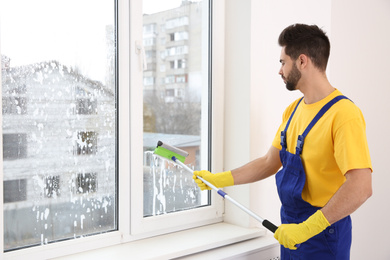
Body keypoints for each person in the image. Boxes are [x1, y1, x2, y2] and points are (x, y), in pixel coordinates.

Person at [193, 23, 373, 259]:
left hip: (324, 233)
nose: (280, 70)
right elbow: (270, 161)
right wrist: (220, 179)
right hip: (289, 227)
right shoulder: (293, 110)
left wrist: (308, 229)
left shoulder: (344, 115)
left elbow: (361, 187)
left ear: (302, 61)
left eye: (282, 62)